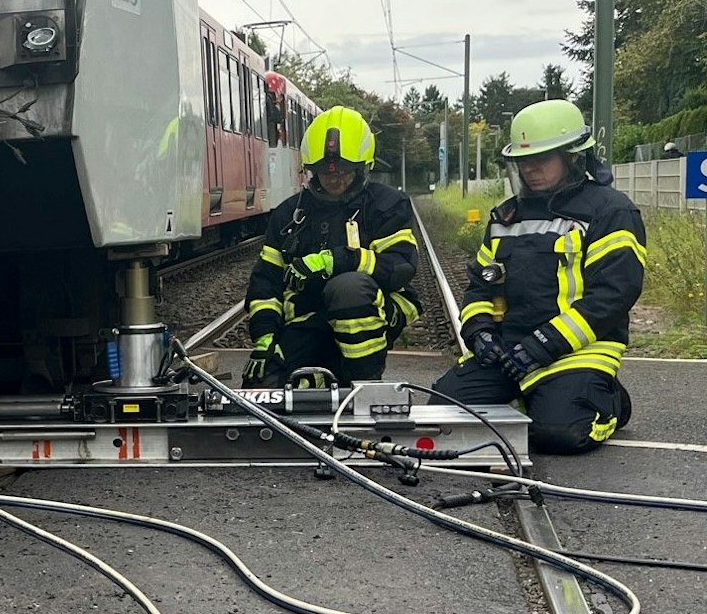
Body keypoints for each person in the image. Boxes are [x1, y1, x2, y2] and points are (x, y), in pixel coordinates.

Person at [433, 100, 644, 454]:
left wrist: (544, 344)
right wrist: (479, 332)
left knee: (559, 434)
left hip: (576, 351)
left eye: (540, 160)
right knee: (441, 413)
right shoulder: (506, 217)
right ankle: (534, 398)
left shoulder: (610, 211)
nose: (530, 170)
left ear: (572, 156)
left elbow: (613, 295)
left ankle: (609, 402)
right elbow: (480, 287)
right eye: (522, 162)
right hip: (509, 352)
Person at [243, 106, 419, 390]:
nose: (336, 178)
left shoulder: (386, 206)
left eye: (345, 171)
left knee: (348, 288)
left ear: (363, 168)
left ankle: (363, 385)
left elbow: (399, 267)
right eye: (326, 171)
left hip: (372, 312)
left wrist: (335, 260)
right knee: (262, 387)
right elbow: (266, 283)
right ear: (312, 171)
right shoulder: (289, 214)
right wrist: (265, 337)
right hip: (308, 317)